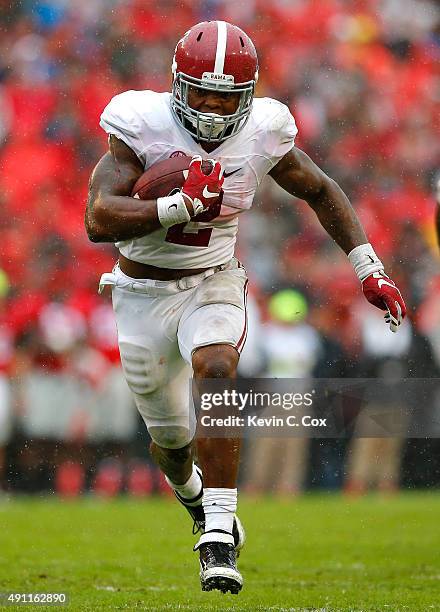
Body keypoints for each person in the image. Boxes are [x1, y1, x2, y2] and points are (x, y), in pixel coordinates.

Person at [85, 20, 406, 595]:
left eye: (225, 95)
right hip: (139, 294)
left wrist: (368, 269)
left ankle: (218, 533)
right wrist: (177, 207)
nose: (211, 106)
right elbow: (98, 218)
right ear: (177, 84)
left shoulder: (264, 131)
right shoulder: (140, 122)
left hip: (212, 281)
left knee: (216, 369)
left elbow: (320, 189)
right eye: (201, 91)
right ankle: (196, 501)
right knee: (171, 446)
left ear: (249, 93)